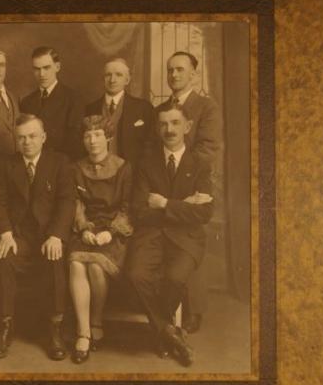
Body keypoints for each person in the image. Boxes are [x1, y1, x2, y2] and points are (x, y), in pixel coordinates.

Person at [126, 105, 214, 367]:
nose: (169, 130)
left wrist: (165, 204)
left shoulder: (200, 164)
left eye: (175, 123)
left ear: (187, 127)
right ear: (157, 128)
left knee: (176, 277)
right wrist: (184, 205)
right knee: (136, 274)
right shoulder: (146, 163)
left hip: (187, 238)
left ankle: (161, 334)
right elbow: (139, 211)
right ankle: (169, 332)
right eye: (163, 124)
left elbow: (205, 213)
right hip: (150, 234)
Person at [0, 114, 75, 360]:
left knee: (55, 261)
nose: (27, 142)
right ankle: (5, 326)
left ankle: (55, 328)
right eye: (21, 138)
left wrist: (57, 235)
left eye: (32, 136)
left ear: (44, 137)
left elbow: (67, 202)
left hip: (49, 236)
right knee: (4, 258)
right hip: (19, 236)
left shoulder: (60, 163)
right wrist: (5, 234)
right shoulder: (5, 165)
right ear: (16, 141)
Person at [155, 51, 223, 333]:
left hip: (196, 182)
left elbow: (207, 149)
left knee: (190, 238)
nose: (174, 75)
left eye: (180, 70)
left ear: (193, 75)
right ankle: (164, 307)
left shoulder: (206, 107)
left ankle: (193, 309)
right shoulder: (160, 108)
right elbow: (155, 148)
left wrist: (182, 190)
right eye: (170, 70)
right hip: (165, 182)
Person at [68, 115, 133, 363]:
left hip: (114, 233)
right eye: (87, 135)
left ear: (108, 137)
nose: (92, 140)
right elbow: (76, 204)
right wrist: (83, 228)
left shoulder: (123, 167)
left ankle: (96, 320)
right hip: (85, 230)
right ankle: (83, 332)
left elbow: (128, 206)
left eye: (97, 135)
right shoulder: (76, 168)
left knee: (95, 266)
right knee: (75, 262)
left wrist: (112, 231)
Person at [20, 46, 84, 160]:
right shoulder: (26, 102)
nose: (41, 74)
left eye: (46, 68)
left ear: (57, 67)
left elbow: (75, 141)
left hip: (62, 164)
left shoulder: (73, 98)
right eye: (37, 69)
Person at [85, 58, 153, 164]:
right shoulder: (90, 109)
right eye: (108, 75)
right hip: (98, 172)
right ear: (102, 79)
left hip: (132, 173)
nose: (112, 80)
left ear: (127, 80)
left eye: (118, 75)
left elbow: (150, 147)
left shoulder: (143, 108)